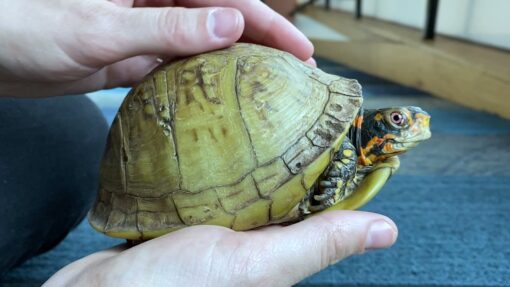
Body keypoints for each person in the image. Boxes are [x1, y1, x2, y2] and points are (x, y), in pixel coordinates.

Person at [0, 0, 398, 286]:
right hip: (166, 167)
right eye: (397, 121)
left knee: (76, 135)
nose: (409, 126)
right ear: (377, 128)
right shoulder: (347, 151)